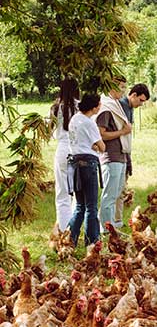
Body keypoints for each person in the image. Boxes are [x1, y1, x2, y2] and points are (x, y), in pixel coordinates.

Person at [95, 77, 132, 233]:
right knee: (109, 195)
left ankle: (108, 224)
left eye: (124, 88)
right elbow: (100, 134)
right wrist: (122, 132)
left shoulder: (116, 105)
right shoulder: (106, 108)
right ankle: (105, 228)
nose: (123, 91)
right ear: (110, 87)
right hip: (111, 156)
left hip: (121, 154)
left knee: (116, 193)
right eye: (120, 87)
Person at [67, 94, 105, 247]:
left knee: (79, 205)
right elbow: (102, 146)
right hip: (88, 164)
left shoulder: (74, 119)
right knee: (91, 206)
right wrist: (95, 146)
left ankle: (69, 239)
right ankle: (92, 241)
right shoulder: (89, 123)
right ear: (94, 107)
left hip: (75, 163)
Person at [114, 83, 150, 227]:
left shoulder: (130, 107)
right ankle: (114, 221)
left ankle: (117, 220)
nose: (141, 104)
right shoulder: (121, 106)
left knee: (122, 188)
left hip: (125, 153)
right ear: (133, 95)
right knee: (117, 190)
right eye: (140, 100)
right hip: (116, 153)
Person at [50, 76, 79, 231]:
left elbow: (52, 132)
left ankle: (63, 228)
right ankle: (74, 228)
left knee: (62, 193)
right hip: (77, 149)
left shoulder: (55, 107)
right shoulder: (80, 107)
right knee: (77, 191)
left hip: (62, 149)